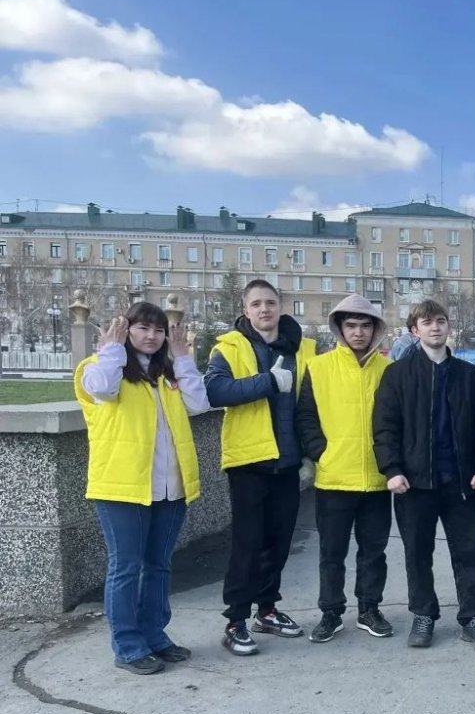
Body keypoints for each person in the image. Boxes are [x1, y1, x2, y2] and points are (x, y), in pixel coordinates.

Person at [74, 304, 209, 674]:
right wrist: (111, 348)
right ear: (126, 329)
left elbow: (199, 403)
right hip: (122, 488)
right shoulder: (100, 367)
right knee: (126, 567)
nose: (152, 336)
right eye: (143, 328)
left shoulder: (166, 375)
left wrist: (182, 357)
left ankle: (154, 636)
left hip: (170, 487)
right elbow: (102, 390)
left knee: (158, 565)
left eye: (159, 330)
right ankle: (128, 646)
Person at [372, 299, 475, 651]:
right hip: (414, 483)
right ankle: (423, 614)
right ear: (415, 330)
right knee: (417, 552)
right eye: (427, 322)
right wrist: (392, 470)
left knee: (469, 552)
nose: (435, 327)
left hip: (461, 482)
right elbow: (384, 427)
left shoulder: (470, 377)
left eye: (441, 321)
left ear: (448, 326)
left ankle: (472, 617)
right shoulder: (397, 375)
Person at [206, 278, 317, 654]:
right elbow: (215, 391)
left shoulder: (304, 349)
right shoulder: (230, 347)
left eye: (270, 302)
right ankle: (235, 620)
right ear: (246, 309)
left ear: (280, 306)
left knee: (279, 543)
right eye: (256, 304)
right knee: (247, 545)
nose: (264, 309)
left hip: (287, 461)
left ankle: (267, 610)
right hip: (249, 461)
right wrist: (266, 381)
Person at [296, 294, 393, 644]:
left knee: (374, 552)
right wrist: (321, 452)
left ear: (375, 329)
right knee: (331, 553)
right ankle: (331, 612)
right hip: (334, 478)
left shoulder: (389, 369)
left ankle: (369, 608)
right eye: (351, 325)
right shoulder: (318, 367)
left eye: (365, 325)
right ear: (339, 328)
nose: (358, 332)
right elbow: (305, 417)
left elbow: (399, 419)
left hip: (377, 480)